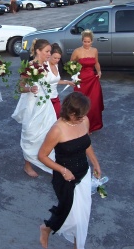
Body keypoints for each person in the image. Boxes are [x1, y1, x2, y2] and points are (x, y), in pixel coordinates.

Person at [38, 92, 102, 249]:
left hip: (84, 173)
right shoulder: (57, 130)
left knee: (82, 216)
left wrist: (95, 163)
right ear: (71, 112)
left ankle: (77, 246)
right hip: (65, 178)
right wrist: (63, 170)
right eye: (79, 116)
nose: (83, 118)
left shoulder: (84, 120)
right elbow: (42, 156)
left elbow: (85, 143)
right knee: (68, 212)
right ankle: (46, 228)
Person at [11, 39, 57, 178]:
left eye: (50, 51)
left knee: (49, 132)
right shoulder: (30, 66)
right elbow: (20, 87)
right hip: (32, 105)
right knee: (31, 134)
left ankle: (48, 160)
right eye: (47, 51)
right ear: (38, 51)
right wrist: (30, 88)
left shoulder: (47, 65)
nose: (49, 54)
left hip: (46, 104)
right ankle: (28, 164)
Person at [70, 30, 104, 133]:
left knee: (93, 102)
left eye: (88, 41)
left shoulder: (94, 51)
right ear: (82, 41)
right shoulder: (77, 51)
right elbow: (70, 65)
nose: (86, 43)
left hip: (93, 80)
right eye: (85, 41)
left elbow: (96, 63)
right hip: (81, 80)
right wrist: (74, 76)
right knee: (79, 103)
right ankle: (79, 126)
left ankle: (92, 126)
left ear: (92, 41)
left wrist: (99, 71)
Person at [47, 43, 75, 119]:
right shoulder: (43, 66)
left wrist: (67, 82)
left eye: (59, 58)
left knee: (58, 117)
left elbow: (55, 81)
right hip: (46, 99)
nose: (57, 60)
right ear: (49, 55)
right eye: (55, 58)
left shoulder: (56, 65)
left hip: (55, 97)